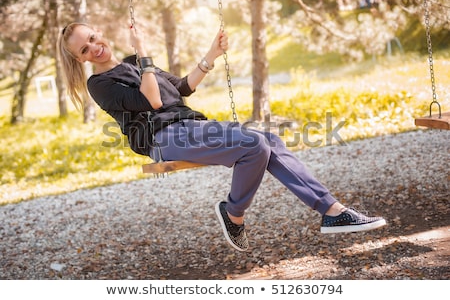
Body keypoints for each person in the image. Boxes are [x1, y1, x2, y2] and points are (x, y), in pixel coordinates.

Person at [58, 22, 386, 252]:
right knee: (254, 144)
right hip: (162, 139)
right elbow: (153, 101)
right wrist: (144, 53)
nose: (94, 48)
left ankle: (332, 211)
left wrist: (211, 55)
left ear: (98, 32)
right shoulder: (99, 85)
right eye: (84, 49)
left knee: (268, 141)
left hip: (188, 126)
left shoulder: (134, 64)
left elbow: (180, 88)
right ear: (80, 59)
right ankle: (233, 214)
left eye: (92, 38)